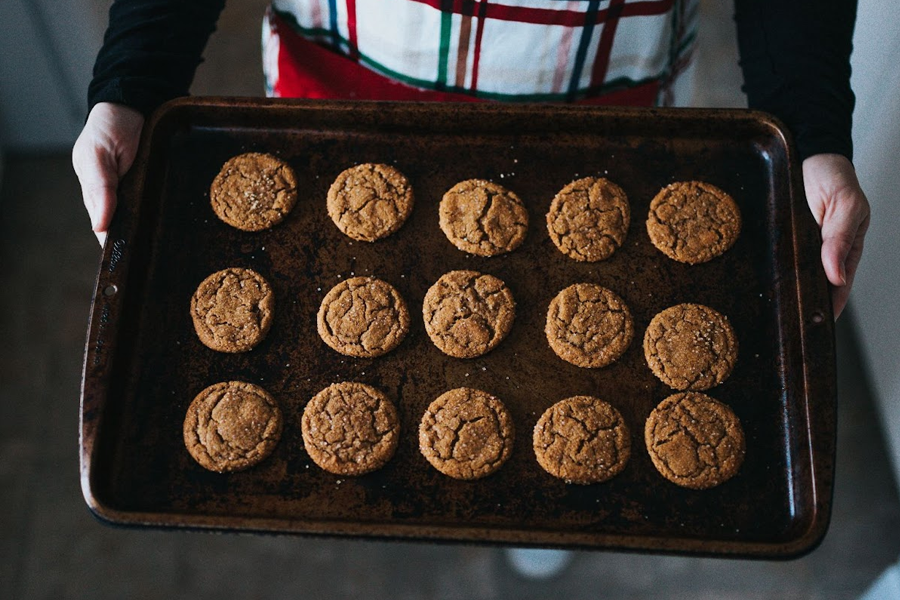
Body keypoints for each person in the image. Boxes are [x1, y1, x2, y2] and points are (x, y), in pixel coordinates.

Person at [72, 0, 869, 319]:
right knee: (342, 283)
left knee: (578, 301)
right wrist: (133, 82)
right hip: (347, 83)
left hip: (596, 101)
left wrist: (810, 128)